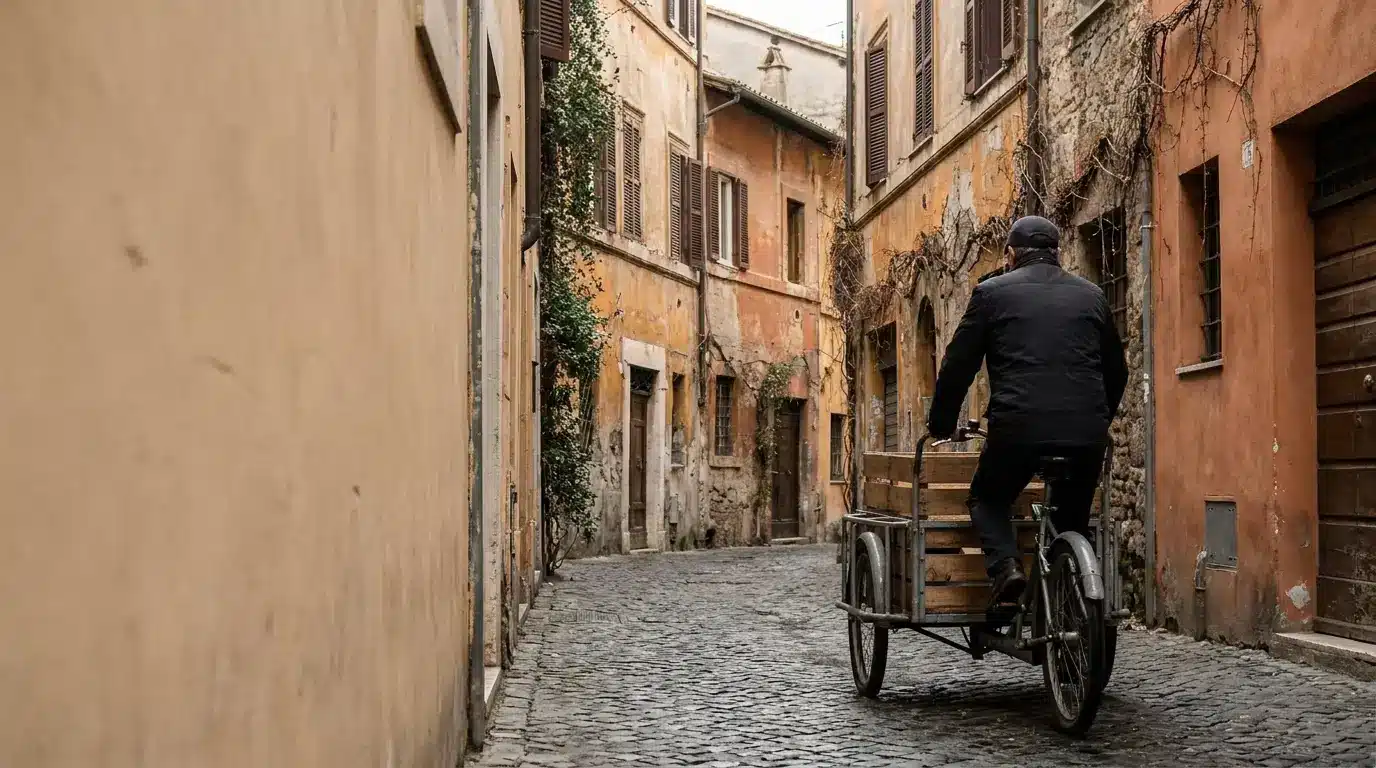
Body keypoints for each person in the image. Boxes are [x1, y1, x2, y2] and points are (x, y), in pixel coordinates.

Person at [925, 215, 1128, 606]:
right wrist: (1100, 419)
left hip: (1018, 429)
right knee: (1073, 520)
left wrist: (941, 423)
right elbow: (1117, 371)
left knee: (988, 498)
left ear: (1011, 254)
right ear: (1057, 253)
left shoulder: (991, 293)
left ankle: (1006, 570)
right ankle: (1074, 607)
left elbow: (957, 365)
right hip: (1086, 434)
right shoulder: (1092, 296)